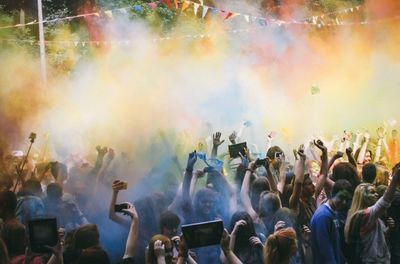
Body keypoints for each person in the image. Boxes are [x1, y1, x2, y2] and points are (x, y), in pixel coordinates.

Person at [344, 163, 400, 264]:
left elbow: (374, 238)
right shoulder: (363, 215)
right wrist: (396, 177)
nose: (376, 194)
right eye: (372, 192)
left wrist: (388, 230)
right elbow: (385, 200)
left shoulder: (368, 215)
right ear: (362, 197)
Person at [310, 179, 353, 264]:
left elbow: (335, 243)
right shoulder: (323, 216)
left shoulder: (334, 212)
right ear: (332, 194)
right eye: (341, 197)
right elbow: (325, 249)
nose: (344, 202)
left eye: (347, 199)